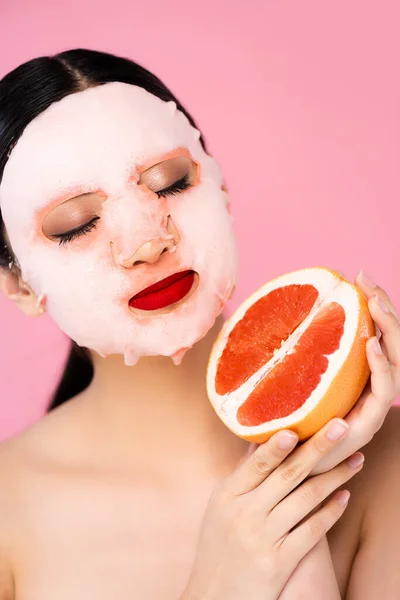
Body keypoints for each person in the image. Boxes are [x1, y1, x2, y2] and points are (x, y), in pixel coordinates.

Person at [0, 49, 398, 600]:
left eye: (168, 182)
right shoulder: (8, 513)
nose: (146, 242)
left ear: (220, 187)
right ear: (19, 285)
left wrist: (302, 464)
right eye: (77, 223)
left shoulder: (388, 461)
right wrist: (222, 585)